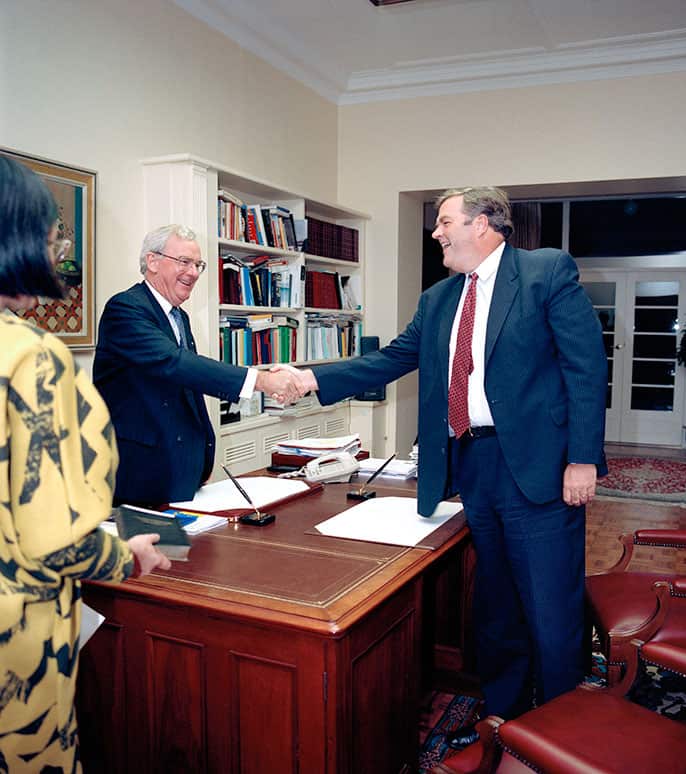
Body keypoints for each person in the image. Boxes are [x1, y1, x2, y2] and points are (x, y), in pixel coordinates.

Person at [274, 187, 608, 743]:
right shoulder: (438, 300)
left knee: (550, 609)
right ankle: (502, 719)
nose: (436, 233)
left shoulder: (545, 271)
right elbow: (390, 360)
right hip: (474, 464)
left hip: (539, 468)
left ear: (482, 224)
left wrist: (583, 460)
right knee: (496, 607)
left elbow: (586, 369)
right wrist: (309, 379)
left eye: (445, 222)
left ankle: (559, 731)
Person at [0, 155, 171, 772]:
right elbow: (57, 540)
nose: (60, 248)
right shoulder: (31, 359)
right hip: (16, 646)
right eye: (53, 234)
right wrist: (129, 556)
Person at [93, 224, 300, 505]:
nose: (193, 273)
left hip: (180, 470)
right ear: (152, 261)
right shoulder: (125, 309)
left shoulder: (179, 316)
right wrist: (260, 380)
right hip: (139, 474)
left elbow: (188, 387)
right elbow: (176, 364)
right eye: (184, 262)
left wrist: (201, 457)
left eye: (197, 265)